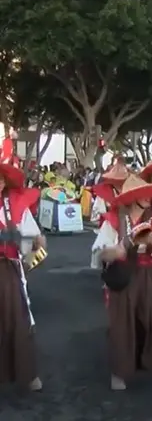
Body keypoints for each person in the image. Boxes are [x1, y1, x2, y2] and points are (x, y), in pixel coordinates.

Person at [91, 175, 152, 390]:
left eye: (148, 194)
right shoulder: (113, 221)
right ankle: (120, 370)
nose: (147, 198)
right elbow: (99, 253)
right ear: (132, 198)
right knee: (122, 323)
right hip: (124, 276)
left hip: (148, 274)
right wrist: (115, 251)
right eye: (141, 195)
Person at [0, 138, 46, 392]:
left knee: (18, 320)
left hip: (9, 270)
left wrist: (37, 243)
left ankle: (26, 373)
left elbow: (35, 238)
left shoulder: (15, 205)